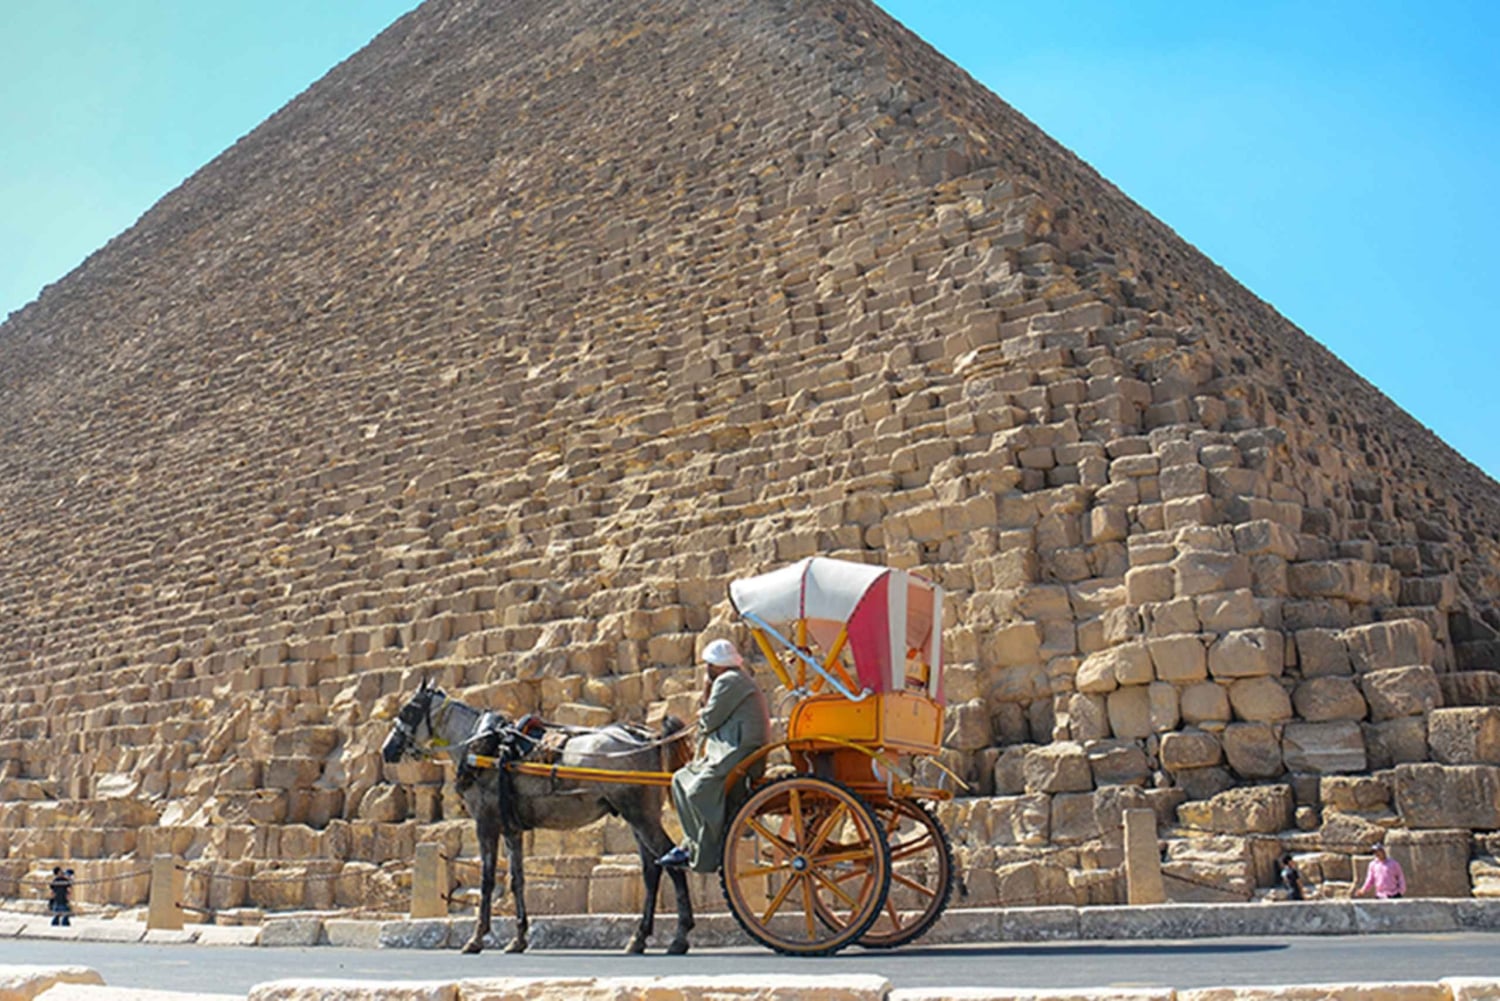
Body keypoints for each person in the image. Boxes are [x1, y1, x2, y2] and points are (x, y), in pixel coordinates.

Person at [659, 638, 769, 873]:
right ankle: (691, 844)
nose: (707, 669)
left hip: (739, 750)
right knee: (679, 779)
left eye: (709, 664)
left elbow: (709, 719)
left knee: (699, 789)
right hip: (734, 747)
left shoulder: (729, 681)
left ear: (718, 665)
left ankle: (709, 851)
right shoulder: (737, 679)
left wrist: (705, 696)